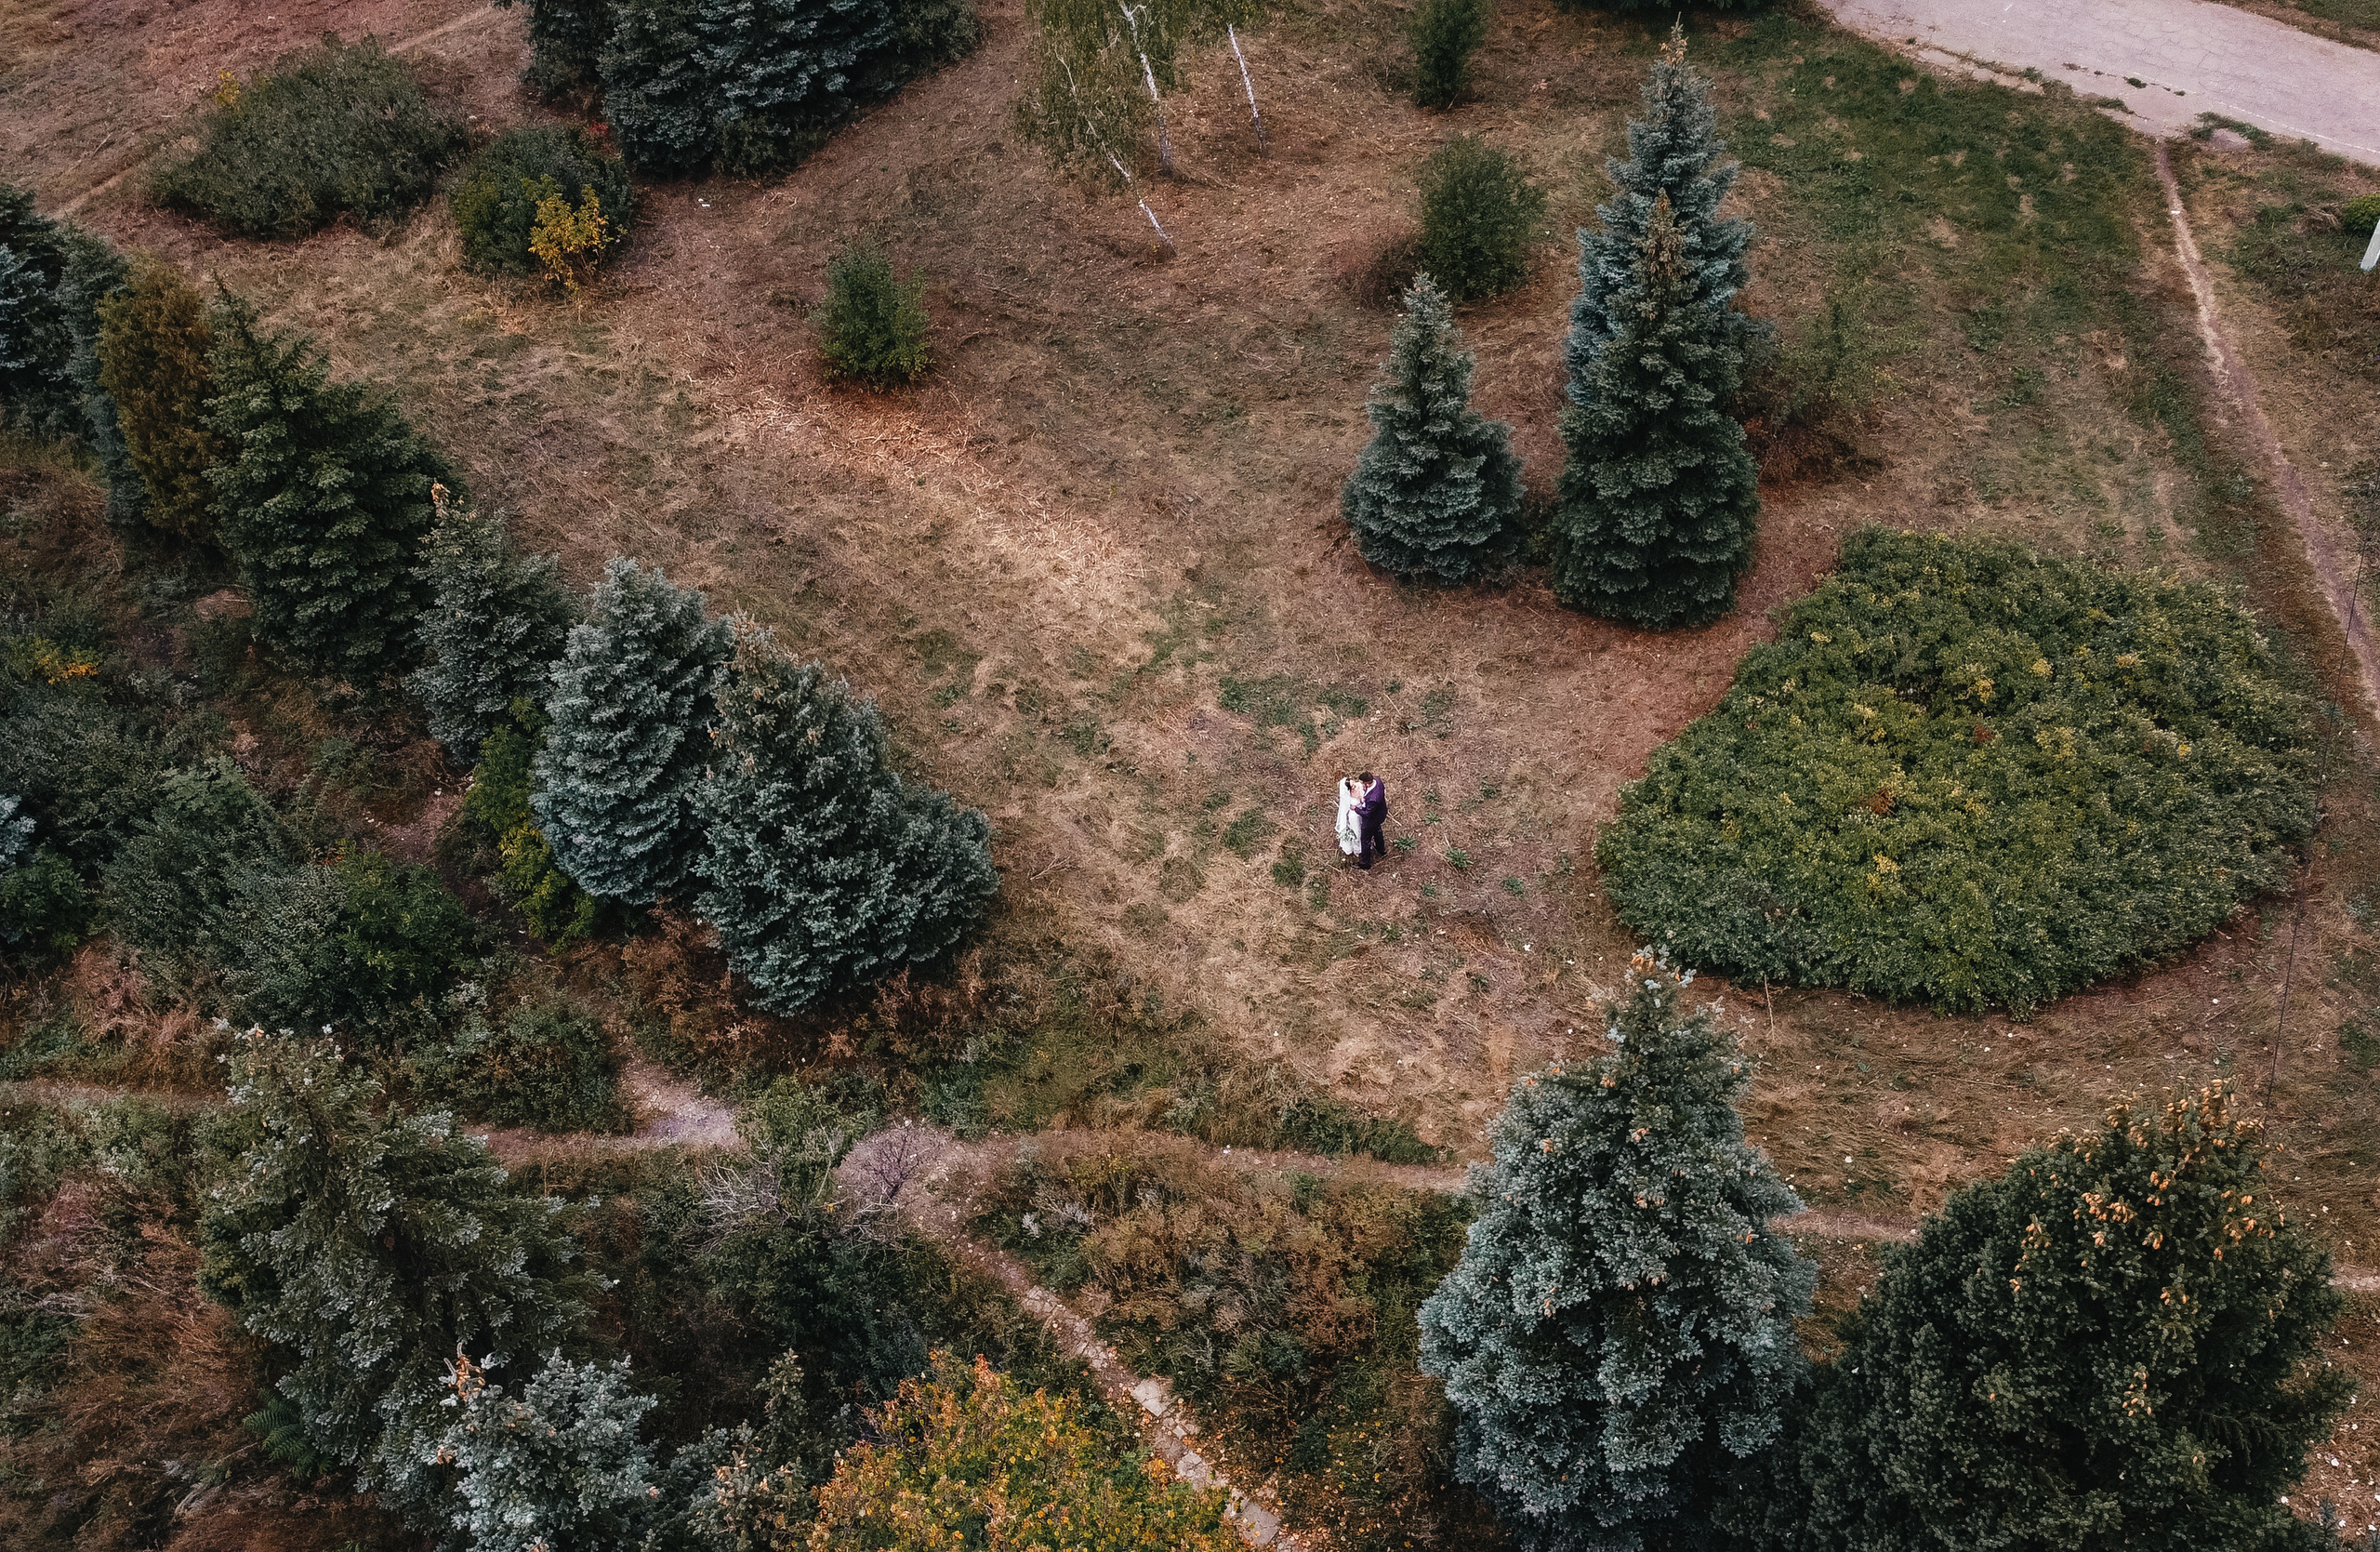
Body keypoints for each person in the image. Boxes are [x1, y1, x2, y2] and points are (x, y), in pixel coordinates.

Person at [1356, 770, 1388, 869]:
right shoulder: (1377, 780)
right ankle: (1381, 849)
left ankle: (1365, 863)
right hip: (1380, 814)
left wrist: (1356, 809)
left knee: (1365, 840)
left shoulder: (1373, 798)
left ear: (1366, 784)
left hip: (1371, 820)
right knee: (1377, 831)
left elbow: (1367, 814)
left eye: (1362, 783)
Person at [1335, 776, 1363, 860]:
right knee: (1357, 832)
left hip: (1363, 812)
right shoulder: (1347, 796)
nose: (1354, 786)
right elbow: (1345, 809)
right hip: (1354, 816)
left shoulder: (1359, 785)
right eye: (1352, 786)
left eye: (1353, 783)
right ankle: (1357, 849)